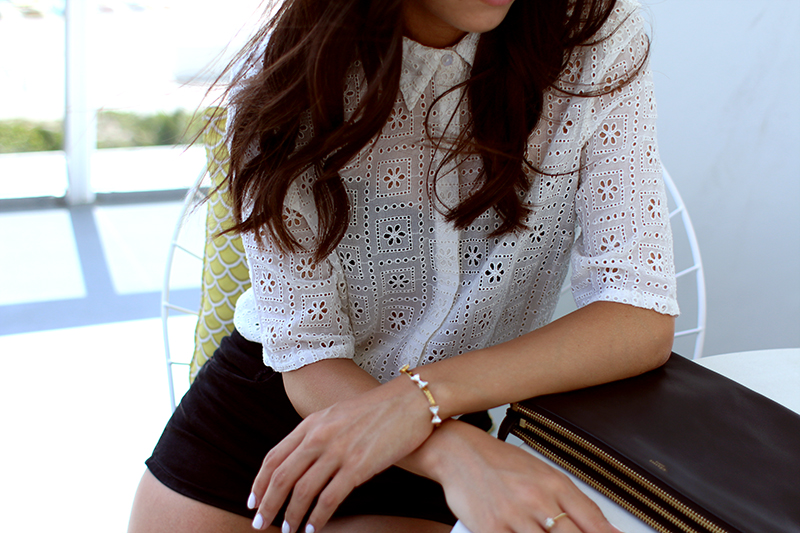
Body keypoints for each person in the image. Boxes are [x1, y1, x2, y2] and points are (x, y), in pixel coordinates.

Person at [128, 0, 678, 531]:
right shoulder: (286, 78)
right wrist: (457, 455)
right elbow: (306, 349)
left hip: (449, 414)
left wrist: (422, 401)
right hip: (279, 409)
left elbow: (639, 313)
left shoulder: (595, 37)